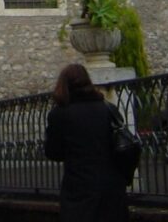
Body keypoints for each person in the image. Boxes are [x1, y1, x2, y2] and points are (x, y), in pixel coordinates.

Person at [44, 63, 129, 222]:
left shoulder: (59, 114)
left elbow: (53, 152)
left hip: (79, 188)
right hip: (112, 186)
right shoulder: (108, 108)